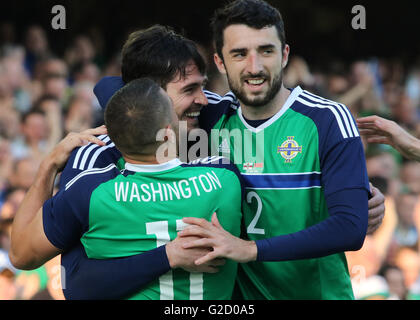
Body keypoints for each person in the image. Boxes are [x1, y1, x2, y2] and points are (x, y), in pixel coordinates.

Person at [49, 22, 384, 299]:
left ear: (284, 55)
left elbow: (111, 87)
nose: (253, 67)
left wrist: (348, 195)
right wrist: (49, 167)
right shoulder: (98, 157)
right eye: (239, 54)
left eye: (265, 51)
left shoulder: (216, 116)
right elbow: (42, 265)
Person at [9, 78, 244, 300]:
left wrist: (49, 165)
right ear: (168, 132)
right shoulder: (224, 178)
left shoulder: (90, 193)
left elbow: (20, 255)